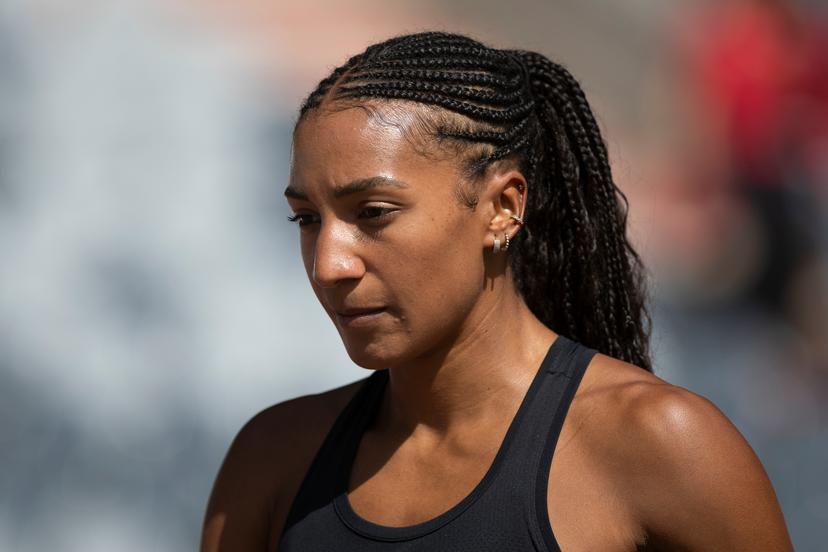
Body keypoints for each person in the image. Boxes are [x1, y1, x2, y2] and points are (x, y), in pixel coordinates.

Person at [201, 32, 793, 551]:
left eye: (374, 212)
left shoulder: (661, 443)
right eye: (306, 219)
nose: (329, 264)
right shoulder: (276, 459)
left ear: (503, 208)